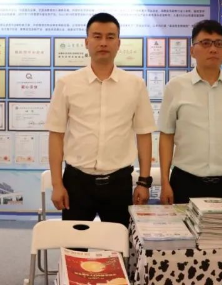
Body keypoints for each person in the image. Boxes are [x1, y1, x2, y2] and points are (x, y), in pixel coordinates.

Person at [45, 12, 157, 227]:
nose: (103, 43)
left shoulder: (135, 85)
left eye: (110, 37)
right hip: (77, 182)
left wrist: (144, 182)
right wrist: (57, 184)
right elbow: (56, 135)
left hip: (119, 182)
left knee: (119, 242)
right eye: (97, 36)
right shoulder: (67, 84)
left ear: (118, 43)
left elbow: (144, 134)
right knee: (75, 242)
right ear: (86, 42)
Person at [158, 19, 222, 210]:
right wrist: (164, 181)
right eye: (205, 43)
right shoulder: (176, 87)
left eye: (219, 43)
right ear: (192, 50)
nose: (213, 49)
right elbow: (166, 135)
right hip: (186, 182)